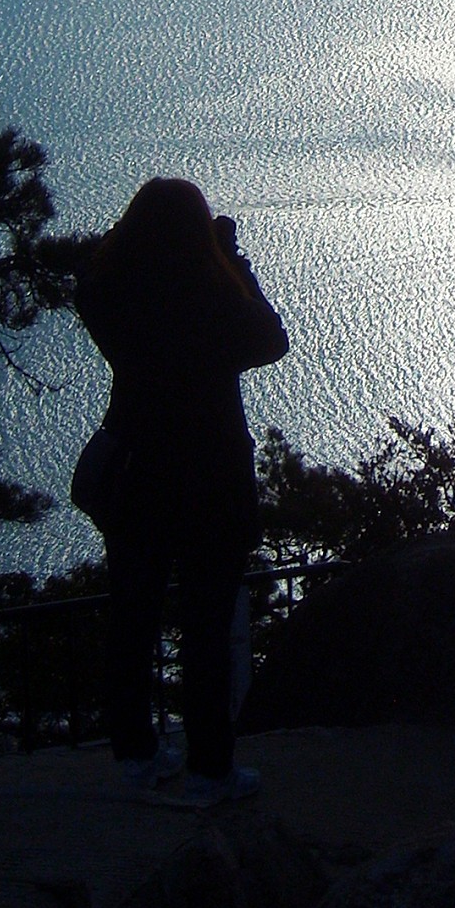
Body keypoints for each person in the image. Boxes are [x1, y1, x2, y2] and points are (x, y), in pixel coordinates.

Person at [77, 178, 289, 804]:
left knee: (132, 618)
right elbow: (271, 339)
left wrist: (133, 247)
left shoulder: (113, 297)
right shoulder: (214, 300)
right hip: (210, 478)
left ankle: (135, 756)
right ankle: (209, 769)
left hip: (136, 474)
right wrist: (234, 263)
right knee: (206, 630)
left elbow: (90, 278)